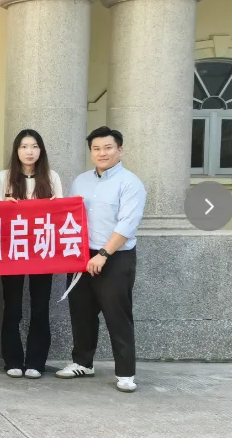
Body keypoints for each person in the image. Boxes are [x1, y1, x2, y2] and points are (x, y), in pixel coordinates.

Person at [56, 126, 145, 393]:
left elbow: (127, 224)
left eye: (108, 148)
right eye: (96, 148)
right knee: (81, 312)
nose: (102, 153)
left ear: (120, 150)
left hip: (116, 257)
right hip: (82, 256)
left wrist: (104, 254)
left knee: (117, 315)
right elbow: (69, 217)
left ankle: (126, 373)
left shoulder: (130, 183)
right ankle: (83, 363)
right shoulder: (80, 181)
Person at [0, 129, 64, 380]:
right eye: (24, 146)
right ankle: (12, 359)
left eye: (34, 146)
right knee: (12, 307)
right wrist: (5, 207)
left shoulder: (51, 177)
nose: (29, 151)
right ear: (16, 151)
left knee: (40, 307)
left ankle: (36, 361)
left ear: (41, 150)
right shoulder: (3, 177)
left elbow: (61, 213)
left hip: (42, 250)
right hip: (12, 250)